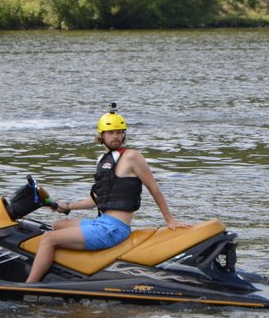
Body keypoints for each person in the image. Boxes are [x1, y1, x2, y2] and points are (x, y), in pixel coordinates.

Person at [26, 106, 190, 283]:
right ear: (101, 135)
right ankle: (68, 274)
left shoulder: (132, 157)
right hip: (101, 222)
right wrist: (67, 206)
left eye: (119, 132)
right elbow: (96, 199)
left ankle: (28, 285)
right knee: (57, 225)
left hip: (114, 229)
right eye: (111, 133)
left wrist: (170, 220)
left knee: (48, 239)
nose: (116, 136)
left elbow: (153, 188)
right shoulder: (103, 161)